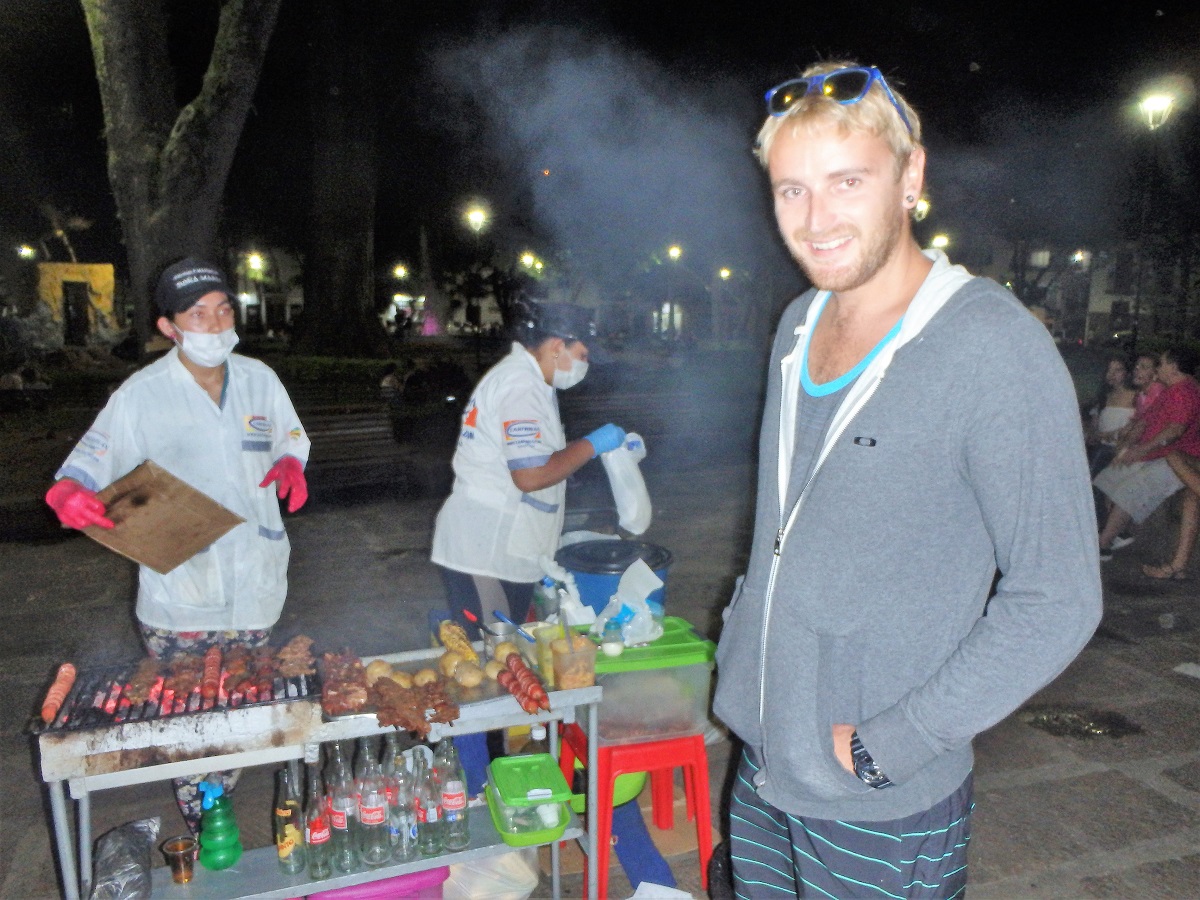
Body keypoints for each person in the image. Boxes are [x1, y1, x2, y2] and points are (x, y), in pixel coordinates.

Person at [711, 61, 1102, 897]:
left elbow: (1059, 596)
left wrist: (896, 742)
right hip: (761, 756)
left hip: (876, 793)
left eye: (847, 181)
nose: (815, 220)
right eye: (791, 191)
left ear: (911, 176)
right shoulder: (797, 323)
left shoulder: (990, 347)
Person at [45, 256, 310, 830]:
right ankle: (204, 831)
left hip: (256, 585)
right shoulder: (143, 394)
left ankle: (218, 814)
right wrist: (69, 492)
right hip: (181, 596)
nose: (216, 327)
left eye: (223, 312)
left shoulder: (260, 379)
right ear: (169, 327)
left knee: (240, 713)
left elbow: (292, 433)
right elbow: (91, 458)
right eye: (199, 315)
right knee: (191, 726)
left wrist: (291, 460)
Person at [431, 301, 625, 632]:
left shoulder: (530, 382)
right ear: (556, 346)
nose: (585, 366)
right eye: (582, 356)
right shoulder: (521, 386)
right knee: (492, 655)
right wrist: (592, 445)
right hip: (486, 550)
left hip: (503, 546)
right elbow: (531, 475)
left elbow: (535, 460)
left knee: (505, 657)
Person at [1091, 345, 1200, 563]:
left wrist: (1141, 449)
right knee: (1106, 479)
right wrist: (1127, 447)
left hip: (1176, 457)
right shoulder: (1170, 390)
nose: (1159, 367)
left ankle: (1103, 543)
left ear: (1174, 367)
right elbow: (1144, 420)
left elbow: (1174, 430)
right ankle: (1115, 533)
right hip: (1155, 453)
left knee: (1130, 491)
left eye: (1162, 363)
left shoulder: (1185, 392)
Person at [1086, 356, 1136, 476]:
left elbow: (1138, 423)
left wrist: (1113, 434)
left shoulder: (1135, 397)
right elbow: (1094, 427)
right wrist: (1095, 436)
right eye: (1109, 370)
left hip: (1123, 447)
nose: (1112, 374)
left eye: (1117, 370)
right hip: (1102, 445)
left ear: (1127, 373)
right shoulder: (1103, 397)